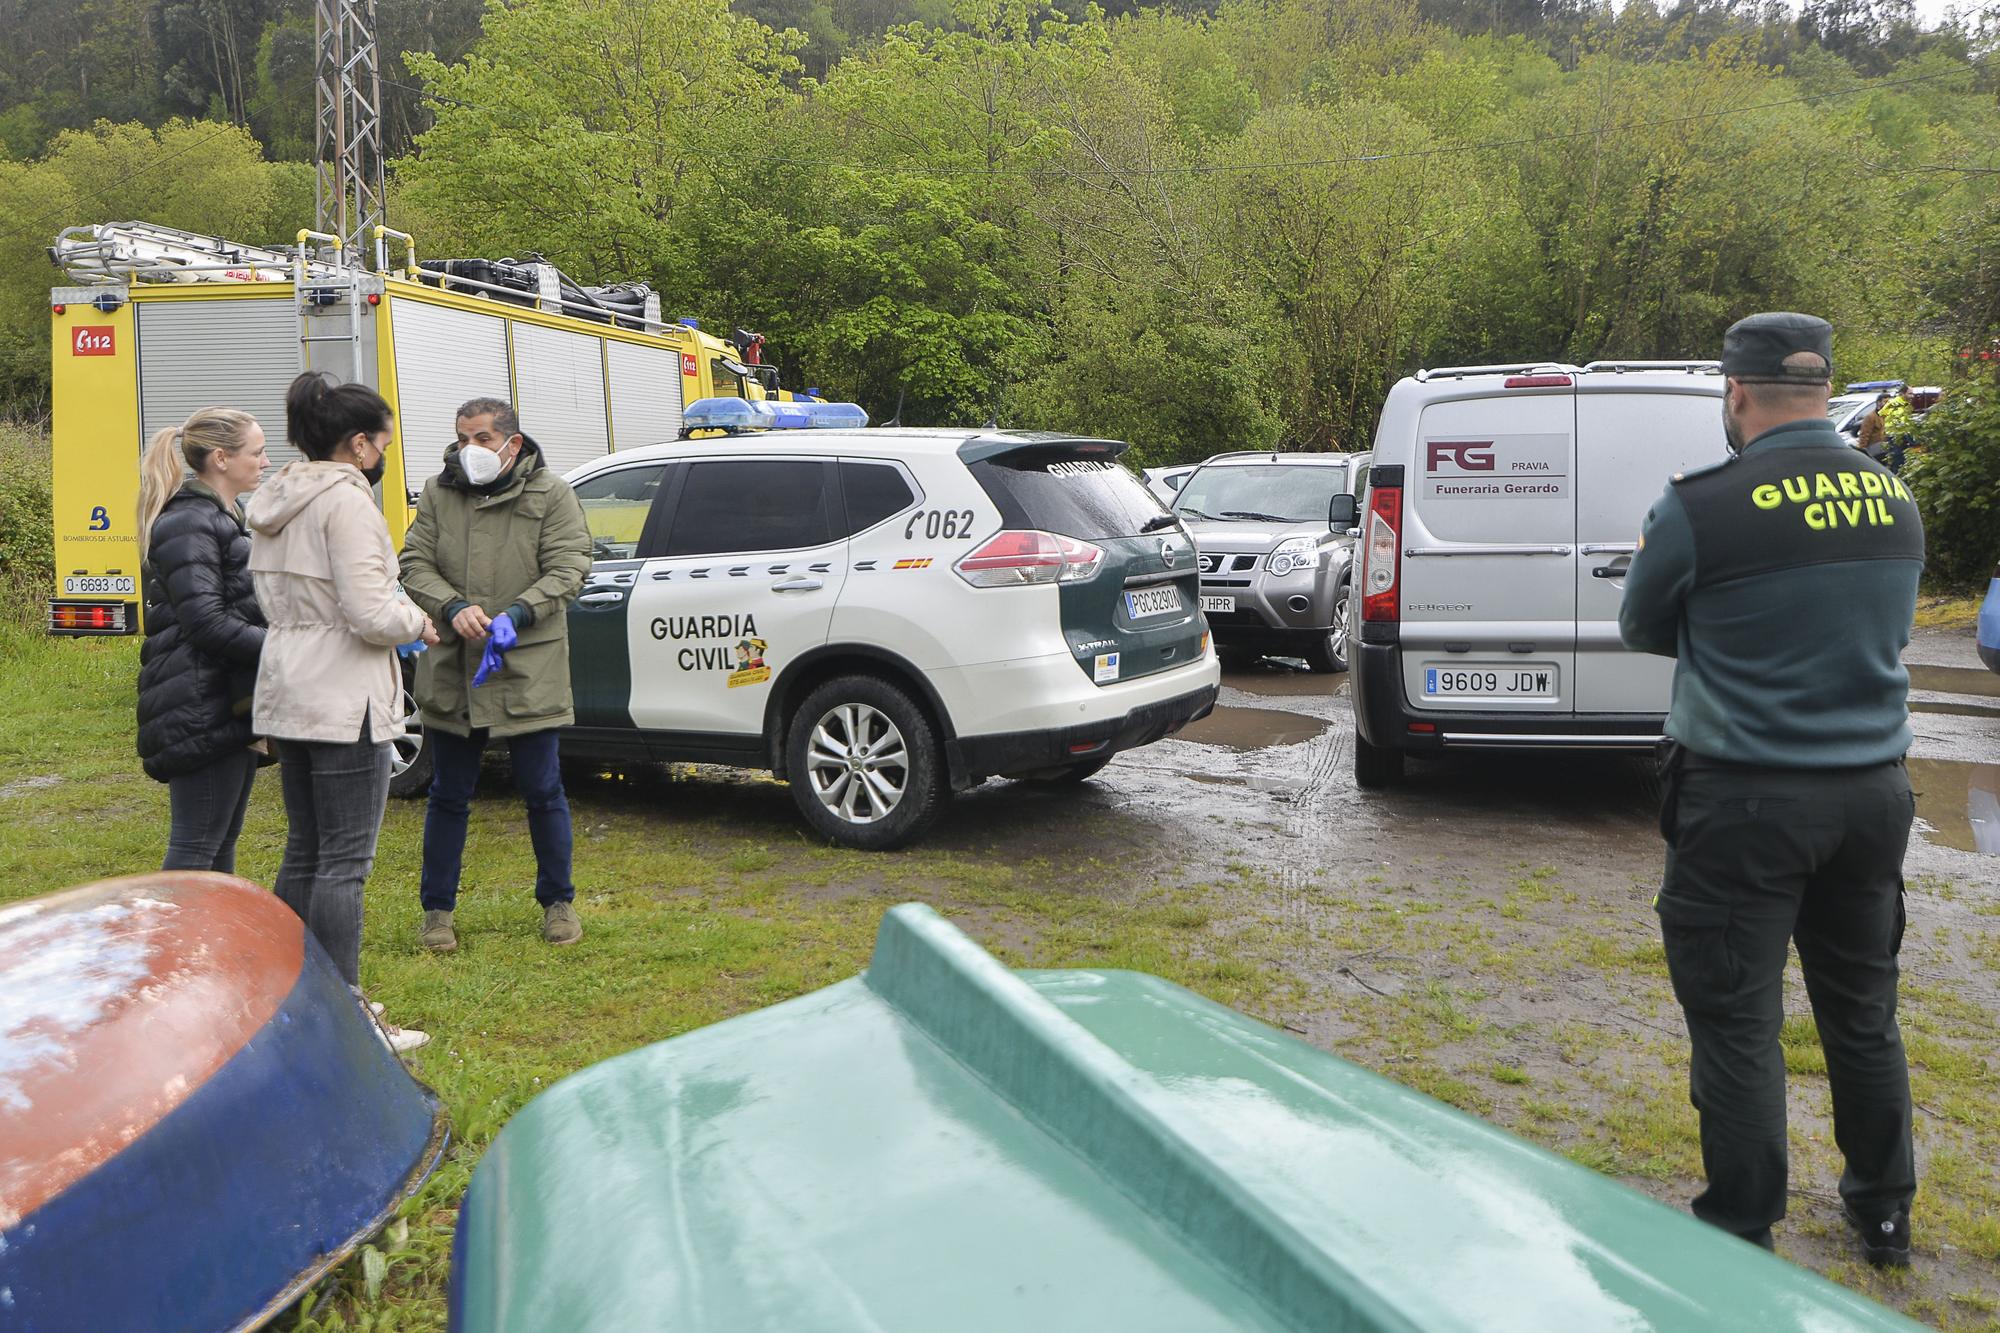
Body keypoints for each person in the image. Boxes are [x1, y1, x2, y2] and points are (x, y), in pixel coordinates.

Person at [1620, 313, 1924, 1267]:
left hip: (1744, 797)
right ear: (1824, 390)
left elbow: (1641, 626)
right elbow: (1879, 630)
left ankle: (1743, 1230)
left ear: (1737, 392)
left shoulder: (1703, 504)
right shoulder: (1893, 500)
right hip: (1873, 795)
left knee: (1738, 1019)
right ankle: (1883, 1211)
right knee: (1863, 1009)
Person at [248, 372, 439, 1053]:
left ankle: (285, 995)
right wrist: (417, 618)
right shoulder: (349, 503)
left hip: (289, 686)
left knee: (306, 848)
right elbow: (367, 610)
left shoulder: (276, 496)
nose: (386, 456)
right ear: (358, 445)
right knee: (344, 863)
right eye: (383, 443)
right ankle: (347, 1015)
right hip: (343, 695)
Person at [398, 398, 591, 952]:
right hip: (455, 669)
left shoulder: (551, 493)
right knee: (448, 796)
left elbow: (571, 565)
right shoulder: (439, 491)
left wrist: (521, 612)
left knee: (543, 791)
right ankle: (437, 914)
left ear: (512, 441)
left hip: (527, 667)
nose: (470, 450)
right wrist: (451, 605)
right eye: (463, 438)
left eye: (482, 438)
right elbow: (414, 563)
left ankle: (559, 903)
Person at [136, 407, 269, 871]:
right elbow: (206, 622)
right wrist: (285, 649)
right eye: (257, 452)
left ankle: (212, 944)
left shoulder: (224, 515)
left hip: (221, 694)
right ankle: (178, 943)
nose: (265, 462)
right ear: (221, 458)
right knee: (196, 847)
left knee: (221, 840)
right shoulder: (190, 522)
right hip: (198, 701)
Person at [1879, 384, 1915, 471]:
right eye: (1910, 394)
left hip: (1900, 434)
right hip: (1895, 435)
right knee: (1897, 460)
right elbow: (1882, 414)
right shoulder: (1895, 404)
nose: (1912, 396)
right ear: (1902, 394)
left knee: (1902, 459)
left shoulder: (1904, 404)